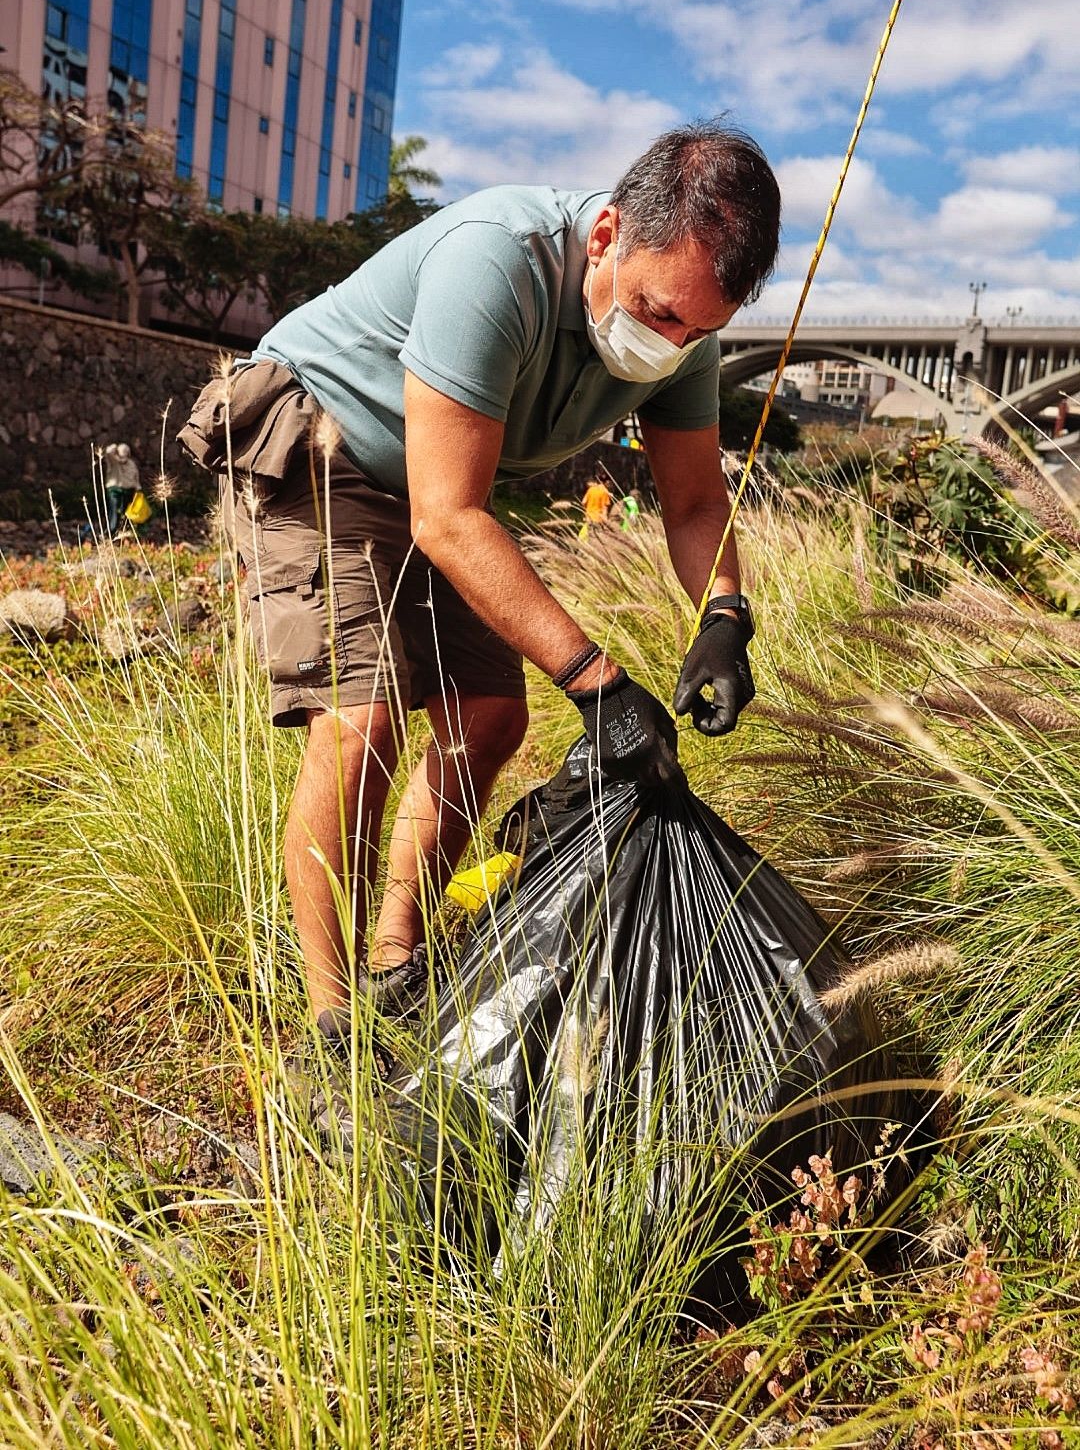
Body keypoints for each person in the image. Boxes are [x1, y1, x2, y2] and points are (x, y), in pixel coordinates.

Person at [179, 119, 780, 1060]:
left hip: (440, 482)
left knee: (492, 717)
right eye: (662, 314)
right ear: (607, 234)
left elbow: (698, 502)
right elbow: (447, 518)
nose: (673, 343)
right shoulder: (494, 262)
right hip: (322, 440)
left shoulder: (682, 340)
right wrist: (600, 684)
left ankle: (396, 956)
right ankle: (330, 1019)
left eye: (702, 329)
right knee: (362, 722)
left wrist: (726, 616)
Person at [101, 442, 141, 537]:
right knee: (114, 510)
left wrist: (138, 489)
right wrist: (114, 447)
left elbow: (135, 478)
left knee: (124, 512)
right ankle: (110, 532)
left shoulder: (131, 464)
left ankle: (120, 531)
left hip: (127, 492)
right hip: (114, 491)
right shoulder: (113, 461)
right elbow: (108, 451)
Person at [579, 473, 613, 539]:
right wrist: (606, 522)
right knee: (598, 538)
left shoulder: (590, 490)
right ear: (606, 482)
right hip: (598, 519)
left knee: (589, 537)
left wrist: (586, 512)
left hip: (589, 518)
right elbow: (604, 508)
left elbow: (583, 502)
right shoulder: (604, 492)